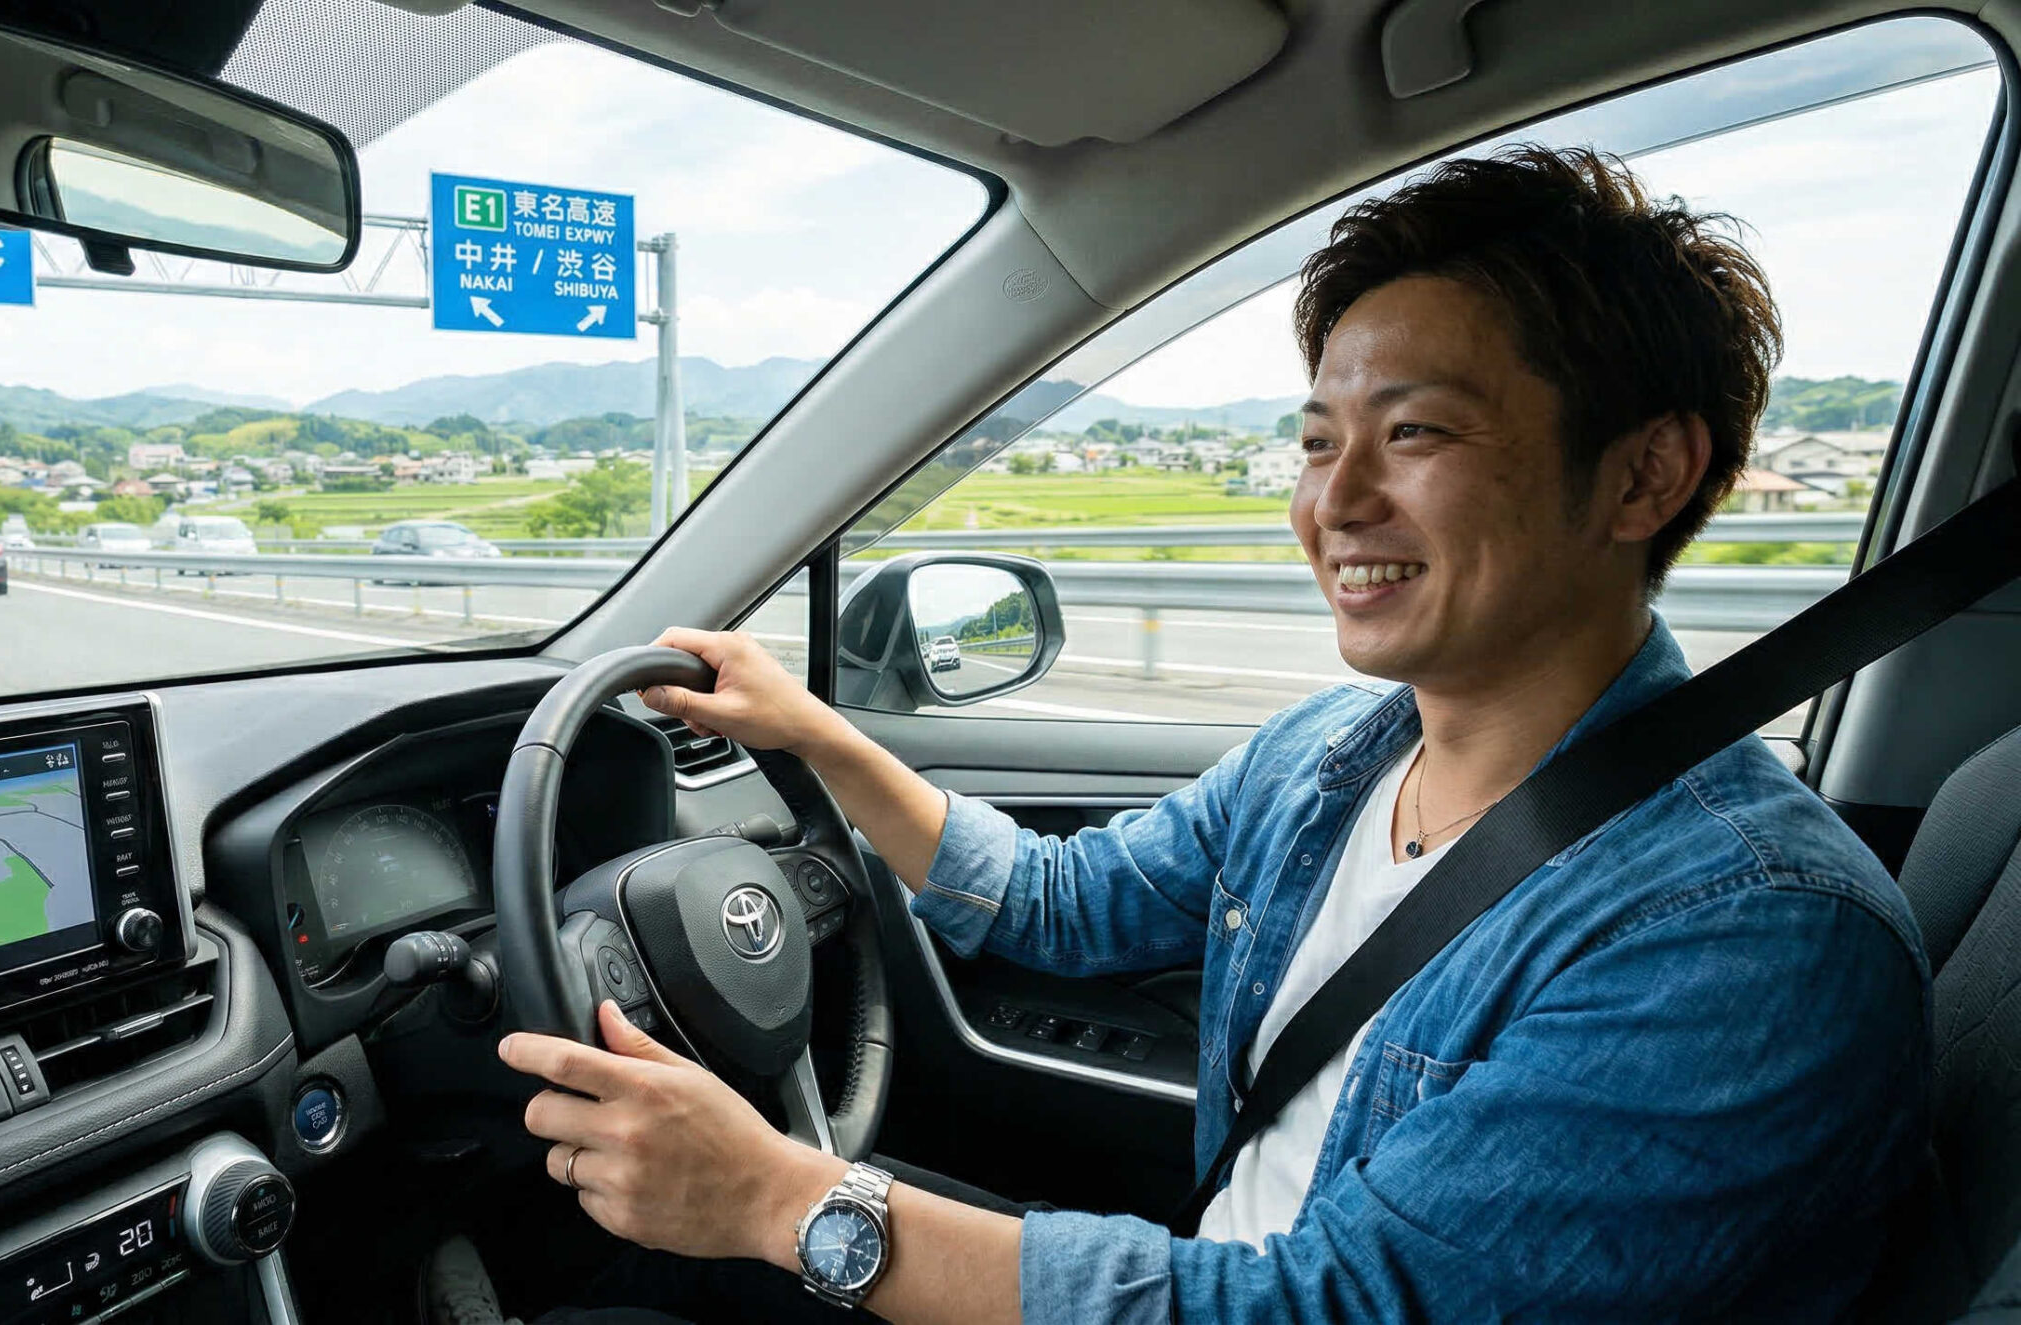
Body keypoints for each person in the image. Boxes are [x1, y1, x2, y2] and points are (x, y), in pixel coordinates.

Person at [492, 146, 1930, 1322]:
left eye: (1413, 433)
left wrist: (778, 1198)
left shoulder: (1752, 936)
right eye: (1316, 440)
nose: (1335, 500)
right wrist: (812, 733)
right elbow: (1062, 899)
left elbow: (1332, 1313)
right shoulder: (1330, 758)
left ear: (1642, 476)